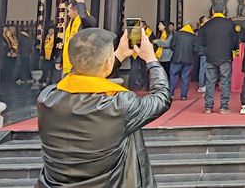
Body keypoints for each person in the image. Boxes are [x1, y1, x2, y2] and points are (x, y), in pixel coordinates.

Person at [37, 28, 171, 187]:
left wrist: (118, 55)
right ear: (108, 63)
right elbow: (162, 98)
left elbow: (86, 76)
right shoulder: (118, 105)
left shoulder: (46, 98)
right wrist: (151, 59)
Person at [198, 4, 238, 114]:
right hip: (225, 56)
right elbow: (235, 41)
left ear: (212, 11)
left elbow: (201, 42)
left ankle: (208, 107)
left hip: (210, 56)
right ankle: (224, 107)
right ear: (224, 11)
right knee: (225, 82)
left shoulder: (206, 25)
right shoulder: (229, 24)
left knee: (210, 82)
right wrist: (233, 49)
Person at [56, 0, 97, 75]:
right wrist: (60, 59)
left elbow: (84, 17)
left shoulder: (87, 21)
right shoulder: (70, 23)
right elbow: (67, 43)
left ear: (76, 11)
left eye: (69, 11)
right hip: (68, 64)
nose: (68, 14)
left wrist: (81, 4)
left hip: (80, 64)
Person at [169, 20, 197, 100]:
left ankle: (171, 94)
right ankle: (183, 95)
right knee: (185, 77)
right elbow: (196, 49)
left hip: (176, 58)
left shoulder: (177, 34)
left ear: (184, 25)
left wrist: (176, 51)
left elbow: (171, 45)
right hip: (189, 60)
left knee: (173, 76)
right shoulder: (193, 36)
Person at [196, 16, 209, 93]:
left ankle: (203, 85)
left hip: (202, 51)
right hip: (204, 51)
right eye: (207, 19)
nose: (208, 20)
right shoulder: (203, 29)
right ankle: (201, 86)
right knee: (203, 69)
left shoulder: (201, 29)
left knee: (204, 68)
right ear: (203, 21)